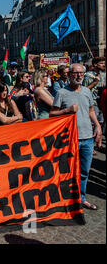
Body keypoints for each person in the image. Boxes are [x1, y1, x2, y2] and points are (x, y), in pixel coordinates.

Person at [50, 63, 103, 211]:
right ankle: (66, 200)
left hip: (87, 138)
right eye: (76, 73)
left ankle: (81, 198)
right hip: (70, 139)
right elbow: (52, 114)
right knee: (68, 171)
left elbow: (91, 110)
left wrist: (97, 125)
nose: (79, 76)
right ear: (69, 74)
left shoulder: (86, 91)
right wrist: (67, 110)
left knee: (85, 171)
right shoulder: (61, 93)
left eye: (81, 73)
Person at [83, 57, 106, 128]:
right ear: (95, 65)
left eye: (104, 63)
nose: (104, 65)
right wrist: (94, 83)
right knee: (94, 121)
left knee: (102, 121)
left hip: (102, 102)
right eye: (101, 63)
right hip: (93, 102)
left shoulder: (103, 75)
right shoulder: (88, 75)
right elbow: (84, 90)